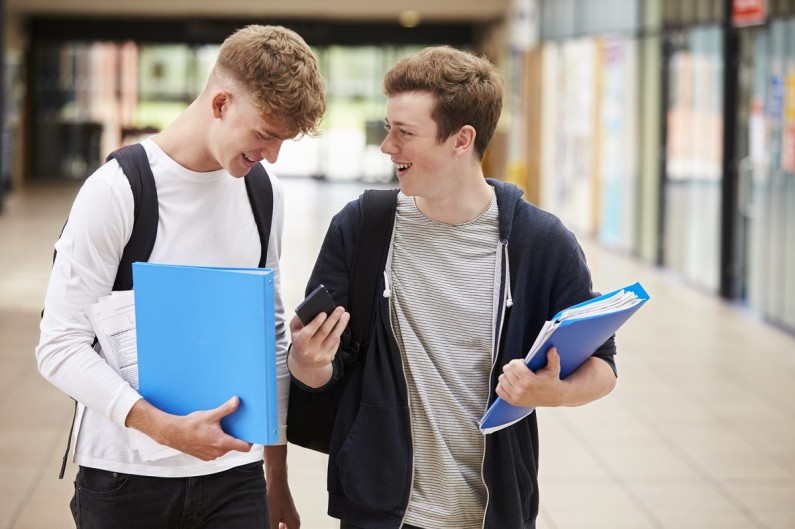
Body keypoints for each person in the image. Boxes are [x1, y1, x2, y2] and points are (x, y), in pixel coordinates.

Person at [287, 46, 618, 529]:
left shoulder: (540, 243)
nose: (387, 147)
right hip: (378, 508)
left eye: (405, 133)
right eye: (387, 128)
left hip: (492, 509)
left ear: (462, 139)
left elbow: (602, 366)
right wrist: (307, 361)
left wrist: (553, 392)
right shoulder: (362, 228)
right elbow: (318, 371)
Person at [35, 24, 326, 529]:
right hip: (124, 480)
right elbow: (59, 346)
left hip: (234, 477)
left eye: (283, 141)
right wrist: (166, 430)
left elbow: (269, 338)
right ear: (219, 104)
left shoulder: (263, 194)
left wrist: (275, 477)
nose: (273, 155)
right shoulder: (119, 190)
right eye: (265, 134)